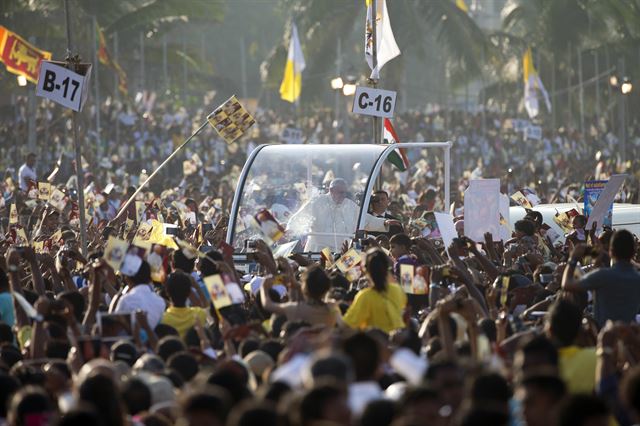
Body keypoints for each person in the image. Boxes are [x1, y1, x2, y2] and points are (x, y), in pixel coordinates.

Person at [286, 178, 399, 252]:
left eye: (345, 192)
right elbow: (300, 217)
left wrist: (383, 222)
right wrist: (290, 229)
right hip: (318, 249)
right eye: (340, 192)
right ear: (331, 190)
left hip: (342, 250)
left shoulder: (349, 205)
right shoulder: (317, 202)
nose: (343, 195)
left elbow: (365, 219)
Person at [561, 230, 640, 327]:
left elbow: (567, 285)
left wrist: (573, 259)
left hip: (604, 333)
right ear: (633, 252)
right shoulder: (637, 277)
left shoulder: (602, 275)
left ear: (611, 251)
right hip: (629, 335)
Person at [343, 248, 407, 333]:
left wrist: (334, 310)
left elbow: (347, 325)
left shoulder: (365, 296)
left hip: (375, 344)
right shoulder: (398, 290)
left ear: (364, 269)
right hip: (397, 342)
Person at [260, 264, 341, 327]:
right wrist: (297, 285)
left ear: (304, 287)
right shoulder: (332, 307)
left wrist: (264, 287)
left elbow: (268, 305)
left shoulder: (296, 309)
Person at [109, 260, 166, 328]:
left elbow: (112, 327)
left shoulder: (126, 300)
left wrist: (118, 296)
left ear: (127, 278)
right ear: (149, 278)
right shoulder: (160, 302)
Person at [160, 271, 209, 339]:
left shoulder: (163, 320)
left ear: (167, 293)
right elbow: (207, 309)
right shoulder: (199, 314)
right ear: (189, 292)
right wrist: (197, 287)